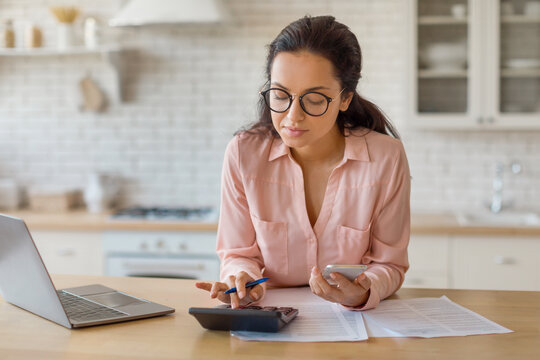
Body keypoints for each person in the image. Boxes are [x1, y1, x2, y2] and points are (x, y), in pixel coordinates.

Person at [196, 15, 410, 310]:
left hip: (351, 329)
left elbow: (390, 265)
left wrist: (362, 292)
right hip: (271, 322)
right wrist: (240, 279)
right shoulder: (243, 154)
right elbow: (237, 254)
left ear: (345, 98)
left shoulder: (386, 157)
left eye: (315, 99)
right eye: (281, 95)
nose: (293, 116)